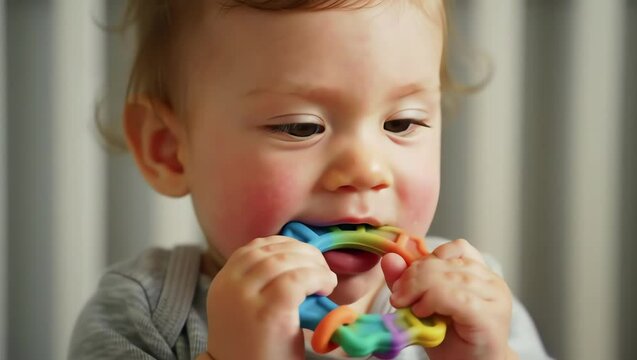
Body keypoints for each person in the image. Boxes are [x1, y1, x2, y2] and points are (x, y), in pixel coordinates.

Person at [70, 0, 552, 359]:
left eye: (401, 123)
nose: (366, 169)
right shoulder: (145, 313)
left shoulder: (468, 300)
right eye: (301, 127)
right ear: (169, 151)